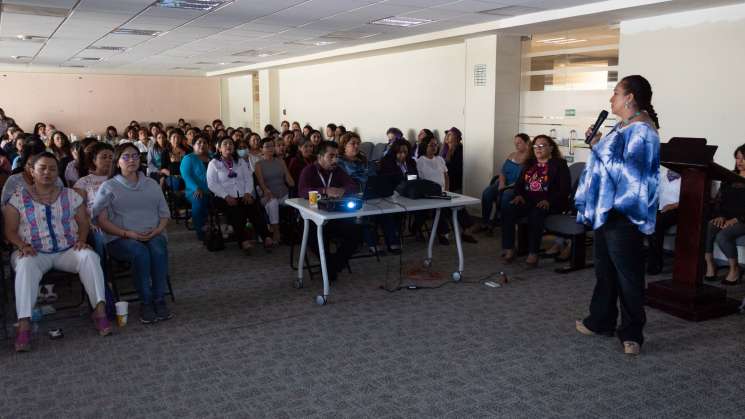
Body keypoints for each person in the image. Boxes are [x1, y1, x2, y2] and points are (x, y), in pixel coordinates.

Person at [574, 75, 661, 356]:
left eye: (615, 93)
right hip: (606, 209)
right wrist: (598, 142)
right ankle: (601, 320)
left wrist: (599, 147)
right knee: (605, 270)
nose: (611, 99)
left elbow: (630, 174)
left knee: (628, 275)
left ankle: (632, 332)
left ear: (630, 97)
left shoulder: (643, 131)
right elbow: (609, 162)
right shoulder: (621, 126)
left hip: (623, 212)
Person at [5, 152, 111, 352]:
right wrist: (22, 245)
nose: (48, 172)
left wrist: (81, 240)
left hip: (67, 249)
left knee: (89, 257)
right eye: (42, 168)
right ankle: (24, 324)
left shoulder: (70, 195)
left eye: (53, 169)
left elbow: (82, 223)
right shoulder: (17, 198)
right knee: (25, 265)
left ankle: (99, 312)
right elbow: (9, 231)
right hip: (34, 252)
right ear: (32, 171)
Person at [93, 143, 173, 324]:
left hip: (153, 233)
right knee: (140, 253)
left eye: (135, 156)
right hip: (120, 237)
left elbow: (164, 214)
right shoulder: (109, 186)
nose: (131, 160)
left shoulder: (151, 183)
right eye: (126, 157)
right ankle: (146, 302)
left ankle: (159, 299)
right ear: (118, 162)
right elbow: (101, 220)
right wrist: (127, 233)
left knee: (158, 250)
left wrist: (158, 230)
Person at [501, 135, 570, 266]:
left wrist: (549, 201)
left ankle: (533, 252)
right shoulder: (529, 163)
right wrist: (518, 195)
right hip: (527, 200)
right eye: (535, 146)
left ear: (550, 148)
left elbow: (564, 189)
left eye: (542, 146)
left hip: (549, 202)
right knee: (508, 208)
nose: (538, 149)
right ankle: (509, 248)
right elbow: (519, 184)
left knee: (536, 213)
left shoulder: (559, 164)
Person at [298, 141, 361, 281]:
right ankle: (330, 266)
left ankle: (332, 265)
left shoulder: (338, 171)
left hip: (335, 216)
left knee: (356, 233)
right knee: (314, 237)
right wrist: (324, 191)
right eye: (331, 156)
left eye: (337, 156)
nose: (335, 160)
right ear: (320, 157)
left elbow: (353, 186)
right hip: (313, 217)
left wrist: (343, 190)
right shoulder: (309, 170)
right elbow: (302, 191)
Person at [206, 138, 274, 251]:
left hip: (243, 194)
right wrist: (226, 196)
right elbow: (212, 184)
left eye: (231, 144)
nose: (228, 146)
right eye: (225, 144)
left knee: (254, 208)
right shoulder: (214, 163)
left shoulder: (240, 161)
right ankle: (243, 241)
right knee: (235, 210)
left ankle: (266, 237)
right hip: (223, 197)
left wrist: (248, 193)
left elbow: (248, 178)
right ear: (219, 149)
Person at [703, 144, 745, 285]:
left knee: (723, 235)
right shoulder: (729, 177)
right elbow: (720, 201)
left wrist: (736, 219)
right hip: (727, 217)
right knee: (709, 226)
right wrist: (720, 215)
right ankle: (710, 263)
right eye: (738, 158)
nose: (740, 162)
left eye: (744, 159)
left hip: (743, 220)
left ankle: (734, 269)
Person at [478, 133, 532, 233]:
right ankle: (485, 223)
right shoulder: (512, 155)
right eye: (515, 143)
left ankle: (504, 223)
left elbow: (526, 179)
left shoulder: (531, 159)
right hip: (503, 182)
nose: (516, 145)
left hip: (516, 186)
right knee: (487, 193)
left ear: (527, 143)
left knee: (506, 195)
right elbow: (502, 172)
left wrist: (507, 187)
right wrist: (502, 183)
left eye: (519, 143)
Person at [73, 142, 115, 259]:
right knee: (99, 238)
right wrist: (89, 222)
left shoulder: (119, 179)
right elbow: (78, 208)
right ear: (94, 160)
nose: (108, 160)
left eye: (111, 157)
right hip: (94, 223)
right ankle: (101, 272)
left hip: (119, 220)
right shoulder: (84, 182)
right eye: (104, 157)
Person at [255, 138, 295, 245]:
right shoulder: (259, 164)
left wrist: (294, 185)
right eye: (267, 146)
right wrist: (266, 191)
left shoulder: (280, 161)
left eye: (272, 145)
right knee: (273, 203)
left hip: (283, 192)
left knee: (298, 203)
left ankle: (296, 231)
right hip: (268, 193)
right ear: (261, 149)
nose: (270, 148)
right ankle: (276, 231)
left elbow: (288, 177)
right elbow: (261, 182)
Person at [2, 139, 64, 205]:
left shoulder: (55, 179)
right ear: (24, 164)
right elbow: (4, 204)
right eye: (31, 165)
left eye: (40, 166)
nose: (34, 169)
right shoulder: (14, 180)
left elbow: (64, 202)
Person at [414, 136, 451, 244]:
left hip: (442, 192)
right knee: (438, 208)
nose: (434, 147)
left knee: (458, 206)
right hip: (427, 193)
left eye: (436, 145)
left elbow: (446, 176)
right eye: (431, 145)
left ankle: (465, 230)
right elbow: (420, 180)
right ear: (425, 146)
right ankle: (443, 233)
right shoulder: (420, 161)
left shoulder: (440, 159)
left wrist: (447, 190)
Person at [646, 167, 680, 275]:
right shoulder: (663, 173)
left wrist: (674, 205)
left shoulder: (687, 176)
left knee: (656, 223)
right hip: (661, 208)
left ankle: (655, 263)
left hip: (678, 209)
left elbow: (693, 198)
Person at [180, 136, 211, 241]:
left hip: (213, 190)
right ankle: (201, 232)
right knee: (199, 200)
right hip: (194, 190)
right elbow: (186, 176)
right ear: (193, 146)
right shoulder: (188, 158)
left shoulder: (212, 157)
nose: (202, 144)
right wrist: (196, 188)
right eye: (199, 142)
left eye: (205, 142)